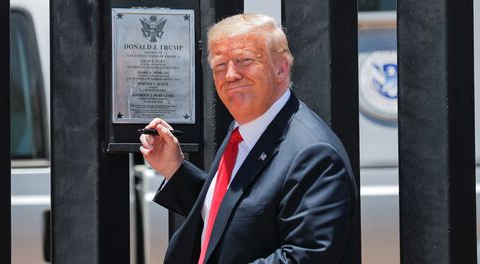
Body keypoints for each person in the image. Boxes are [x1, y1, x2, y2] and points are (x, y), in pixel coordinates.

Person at [140, 13, 357, 264]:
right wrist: (174, 169)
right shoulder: (245, 128)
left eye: (244, 60)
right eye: (220, 65)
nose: (231, 74)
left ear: (281, 69)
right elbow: (233, 213)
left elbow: (303, 258)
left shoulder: (314, 154)